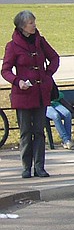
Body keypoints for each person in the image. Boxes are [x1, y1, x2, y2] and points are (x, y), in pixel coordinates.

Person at [2, 10, 60, 178]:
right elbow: (5, 70)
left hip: (41, 93)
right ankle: (26, 167)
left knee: (39, 132)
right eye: (30, 23)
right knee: (26, 132)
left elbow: (54, 58)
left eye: (34, 22)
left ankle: (40, 166)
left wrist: (47, 75)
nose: (34, 25)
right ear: (22, 26)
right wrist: (17, 81)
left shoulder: (40, 42)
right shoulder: (12, 46)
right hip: (23, 95)